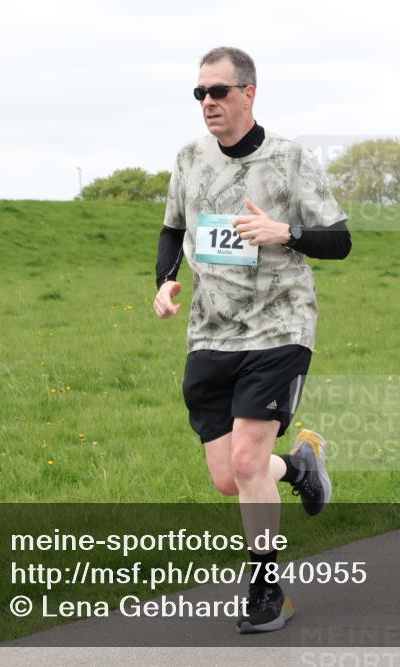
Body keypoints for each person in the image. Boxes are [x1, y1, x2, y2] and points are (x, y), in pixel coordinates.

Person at [153, 46, 351, 634]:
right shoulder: (189, 159)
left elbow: (339, 241)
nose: (207, 103)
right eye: (199, 94)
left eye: (218, 92)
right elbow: (171, 229)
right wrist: (164, 282)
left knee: (245, 460)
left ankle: (267, 591)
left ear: (248, 93)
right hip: (210, 332)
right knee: (230, 476)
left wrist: (282, 231)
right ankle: (301, 468)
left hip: (280, 325)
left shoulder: (289, 160)